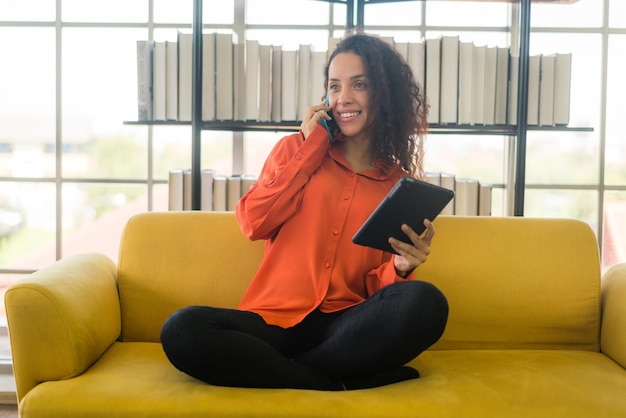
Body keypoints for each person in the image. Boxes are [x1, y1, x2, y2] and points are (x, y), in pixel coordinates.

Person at [160, 32, 449, 391]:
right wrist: (312, 147)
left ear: (384, 94)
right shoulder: (293, 151)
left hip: (345, 327)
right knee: (181, 329)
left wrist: (401, 267)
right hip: (273, 321)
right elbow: (254, 222)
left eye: (359, 85)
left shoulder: (398, 185)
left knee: (427, 303)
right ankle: (332, 382)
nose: (343, 98)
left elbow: (376, 290)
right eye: (334, 86)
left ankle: (289, 373)